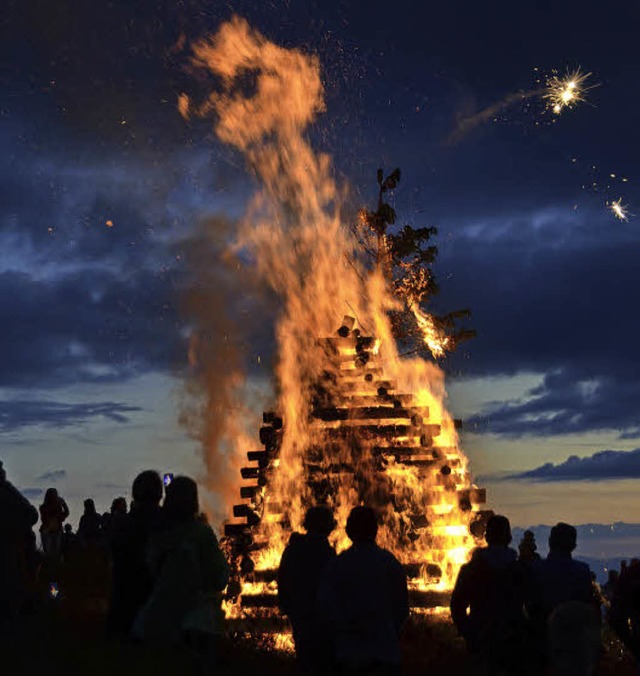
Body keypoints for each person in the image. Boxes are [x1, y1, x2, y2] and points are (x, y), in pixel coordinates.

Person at [133, 475, 229, 668]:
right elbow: (219, 577)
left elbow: (150, 571)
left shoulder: (156, 534)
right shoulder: (201, 534)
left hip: (155, 619)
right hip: (194, 622)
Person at [318, 506, 409, 676]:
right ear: (375, 530)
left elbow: (327, 609)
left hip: (349, 655)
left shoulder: (337, 566)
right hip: (384, 653)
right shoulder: (390, 564)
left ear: (349, 531)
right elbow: (402, 609)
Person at [450, 514, 531, 675]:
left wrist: (470, 634)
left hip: (481, 645)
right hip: (512, 646)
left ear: (486, 537)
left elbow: (457, 607)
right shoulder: (521, 570)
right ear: (509, 538)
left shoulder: (471, 570)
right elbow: (533, 605)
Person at [528, 523, 600, 675]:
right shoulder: (582, 571)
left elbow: (530, 605)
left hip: (540, 642)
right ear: (573, 545)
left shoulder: (535, 569)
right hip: (574, 644)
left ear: (550, 542)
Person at [278, 505, 337, 673]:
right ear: (327, 527)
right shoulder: (327, 553)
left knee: (305, 662)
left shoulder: (293, 549)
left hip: (300, 617)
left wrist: (287, 607)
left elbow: (283, 580)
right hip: (321, 622)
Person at [108, 470, 163, 637]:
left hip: (124, 611)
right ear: (159, 495)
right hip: (159, 613)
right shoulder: (167, 528)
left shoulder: (120, 526)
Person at [0, 461, 39, 625]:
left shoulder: (7, 491)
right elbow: (30, 514)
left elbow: (30, 514)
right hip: (12, 544)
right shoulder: (7, 492)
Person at [39, 487, 69, 560]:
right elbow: (45, 519)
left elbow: (66, 513)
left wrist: (64, 504)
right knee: (50, 554)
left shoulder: (57, 506)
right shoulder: (44, 507)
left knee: (56, 553)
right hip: (48, 531)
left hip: (56, 531)